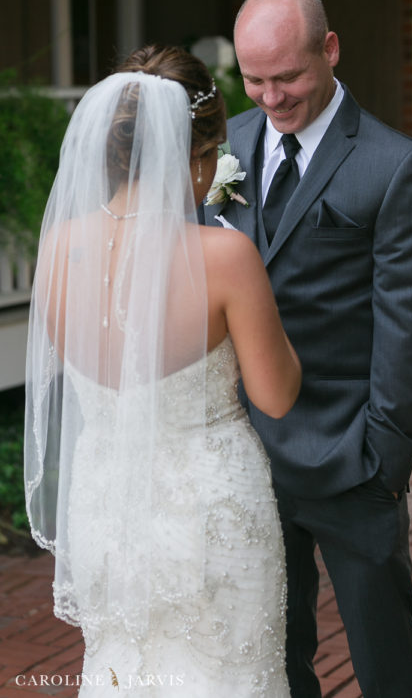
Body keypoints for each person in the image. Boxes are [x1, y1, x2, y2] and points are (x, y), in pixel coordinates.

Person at [24, 46, 301, 697]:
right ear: (200, 152)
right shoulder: (225, 257)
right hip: (211, 514)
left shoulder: (60, 246)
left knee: (124, 669)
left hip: (105, 509)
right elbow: (277, 395)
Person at [203, 0, 412, 697]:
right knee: (275, 658)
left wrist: (386, 453)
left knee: (386, 666)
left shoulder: (395, 165)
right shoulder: (226, 148)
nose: (270, 98)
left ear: (330, 50)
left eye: (288, 77)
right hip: (247, 454)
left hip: (352, 458)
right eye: (254, 80)